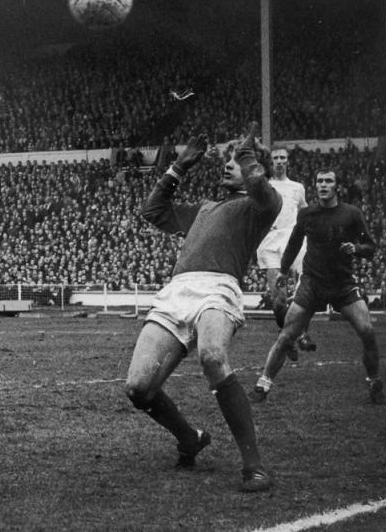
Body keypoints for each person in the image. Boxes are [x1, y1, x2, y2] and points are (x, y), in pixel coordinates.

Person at [124, 123, 280, 493]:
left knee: (213, 357)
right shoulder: (205, 209)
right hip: (178, 290)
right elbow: (152, 211)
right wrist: (178, 167)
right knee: (138, 388)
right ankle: (190, 437)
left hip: (217, 288)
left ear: (256, 168)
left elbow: (259, 185)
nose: (227, 166)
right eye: (227, 161)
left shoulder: (262, 205)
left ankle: (254, 466)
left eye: (235, 162)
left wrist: (248, 155)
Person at [249, 169, 384, 404]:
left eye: (328, 181)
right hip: (313, 284)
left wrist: (357, 248)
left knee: (368, 332)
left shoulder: (352, 214)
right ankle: (263, 385)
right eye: (319, 181)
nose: (323, 185)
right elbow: (293, 244)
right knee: (286, 335)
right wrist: (282, 271)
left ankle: (374, 383)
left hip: (343, 284)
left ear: (336, 186)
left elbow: (371, 246)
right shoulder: (307, 214)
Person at [255, 147, 314, 360]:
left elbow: (305, 212)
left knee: (303, 289)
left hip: (293, 238)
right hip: (269, 240)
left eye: (283, 158)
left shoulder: (297, 187)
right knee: (278, 300)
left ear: (288, 161)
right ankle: (286, 335)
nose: (279, 161)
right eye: (276, 158)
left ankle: (302, 333)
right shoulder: (264, 186)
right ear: (270, 162)